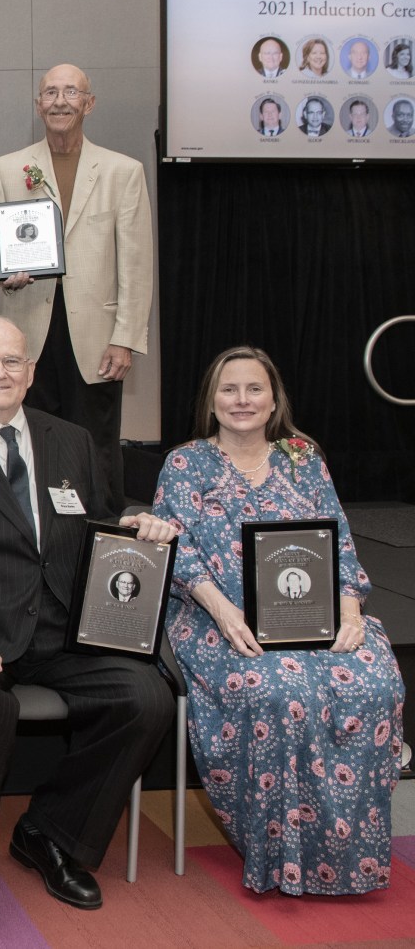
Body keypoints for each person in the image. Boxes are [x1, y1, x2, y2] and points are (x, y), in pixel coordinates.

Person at [0, 316, 174, 946]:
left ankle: (50, 832)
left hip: (68, 629)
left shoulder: (70, 438)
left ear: (31, 371)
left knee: (146, 698)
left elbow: (100, 521)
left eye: (11, 361)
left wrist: (137, 526)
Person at [151, 346, 405, 896]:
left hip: (311, 615)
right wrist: (224, 613)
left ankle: (346, 858)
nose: (242, 400)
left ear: (273, 400)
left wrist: (351, 611)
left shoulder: (302, 457)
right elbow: (178, 553)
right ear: (211, 401)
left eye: (254, 389)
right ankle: (283, 857)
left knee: (375, 680)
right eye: (229, 389)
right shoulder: (186, 463)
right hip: (217, 617)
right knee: (278, 689)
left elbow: (338, 540)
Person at [0, 64, 153, 507]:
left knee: (95, 445)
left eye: (70, 92)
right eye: (50, 93)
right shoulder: (9, 168)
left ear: (89, 103)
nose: (59, 101)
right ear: (38, 104)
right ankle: (42, 538)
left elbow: (137, 264)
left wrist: (126, 339)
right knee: (33, 442)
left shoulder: (123, 171)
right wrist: (2, 271)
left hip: (97, 337)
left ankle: (100, 540)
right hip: (29, 330)